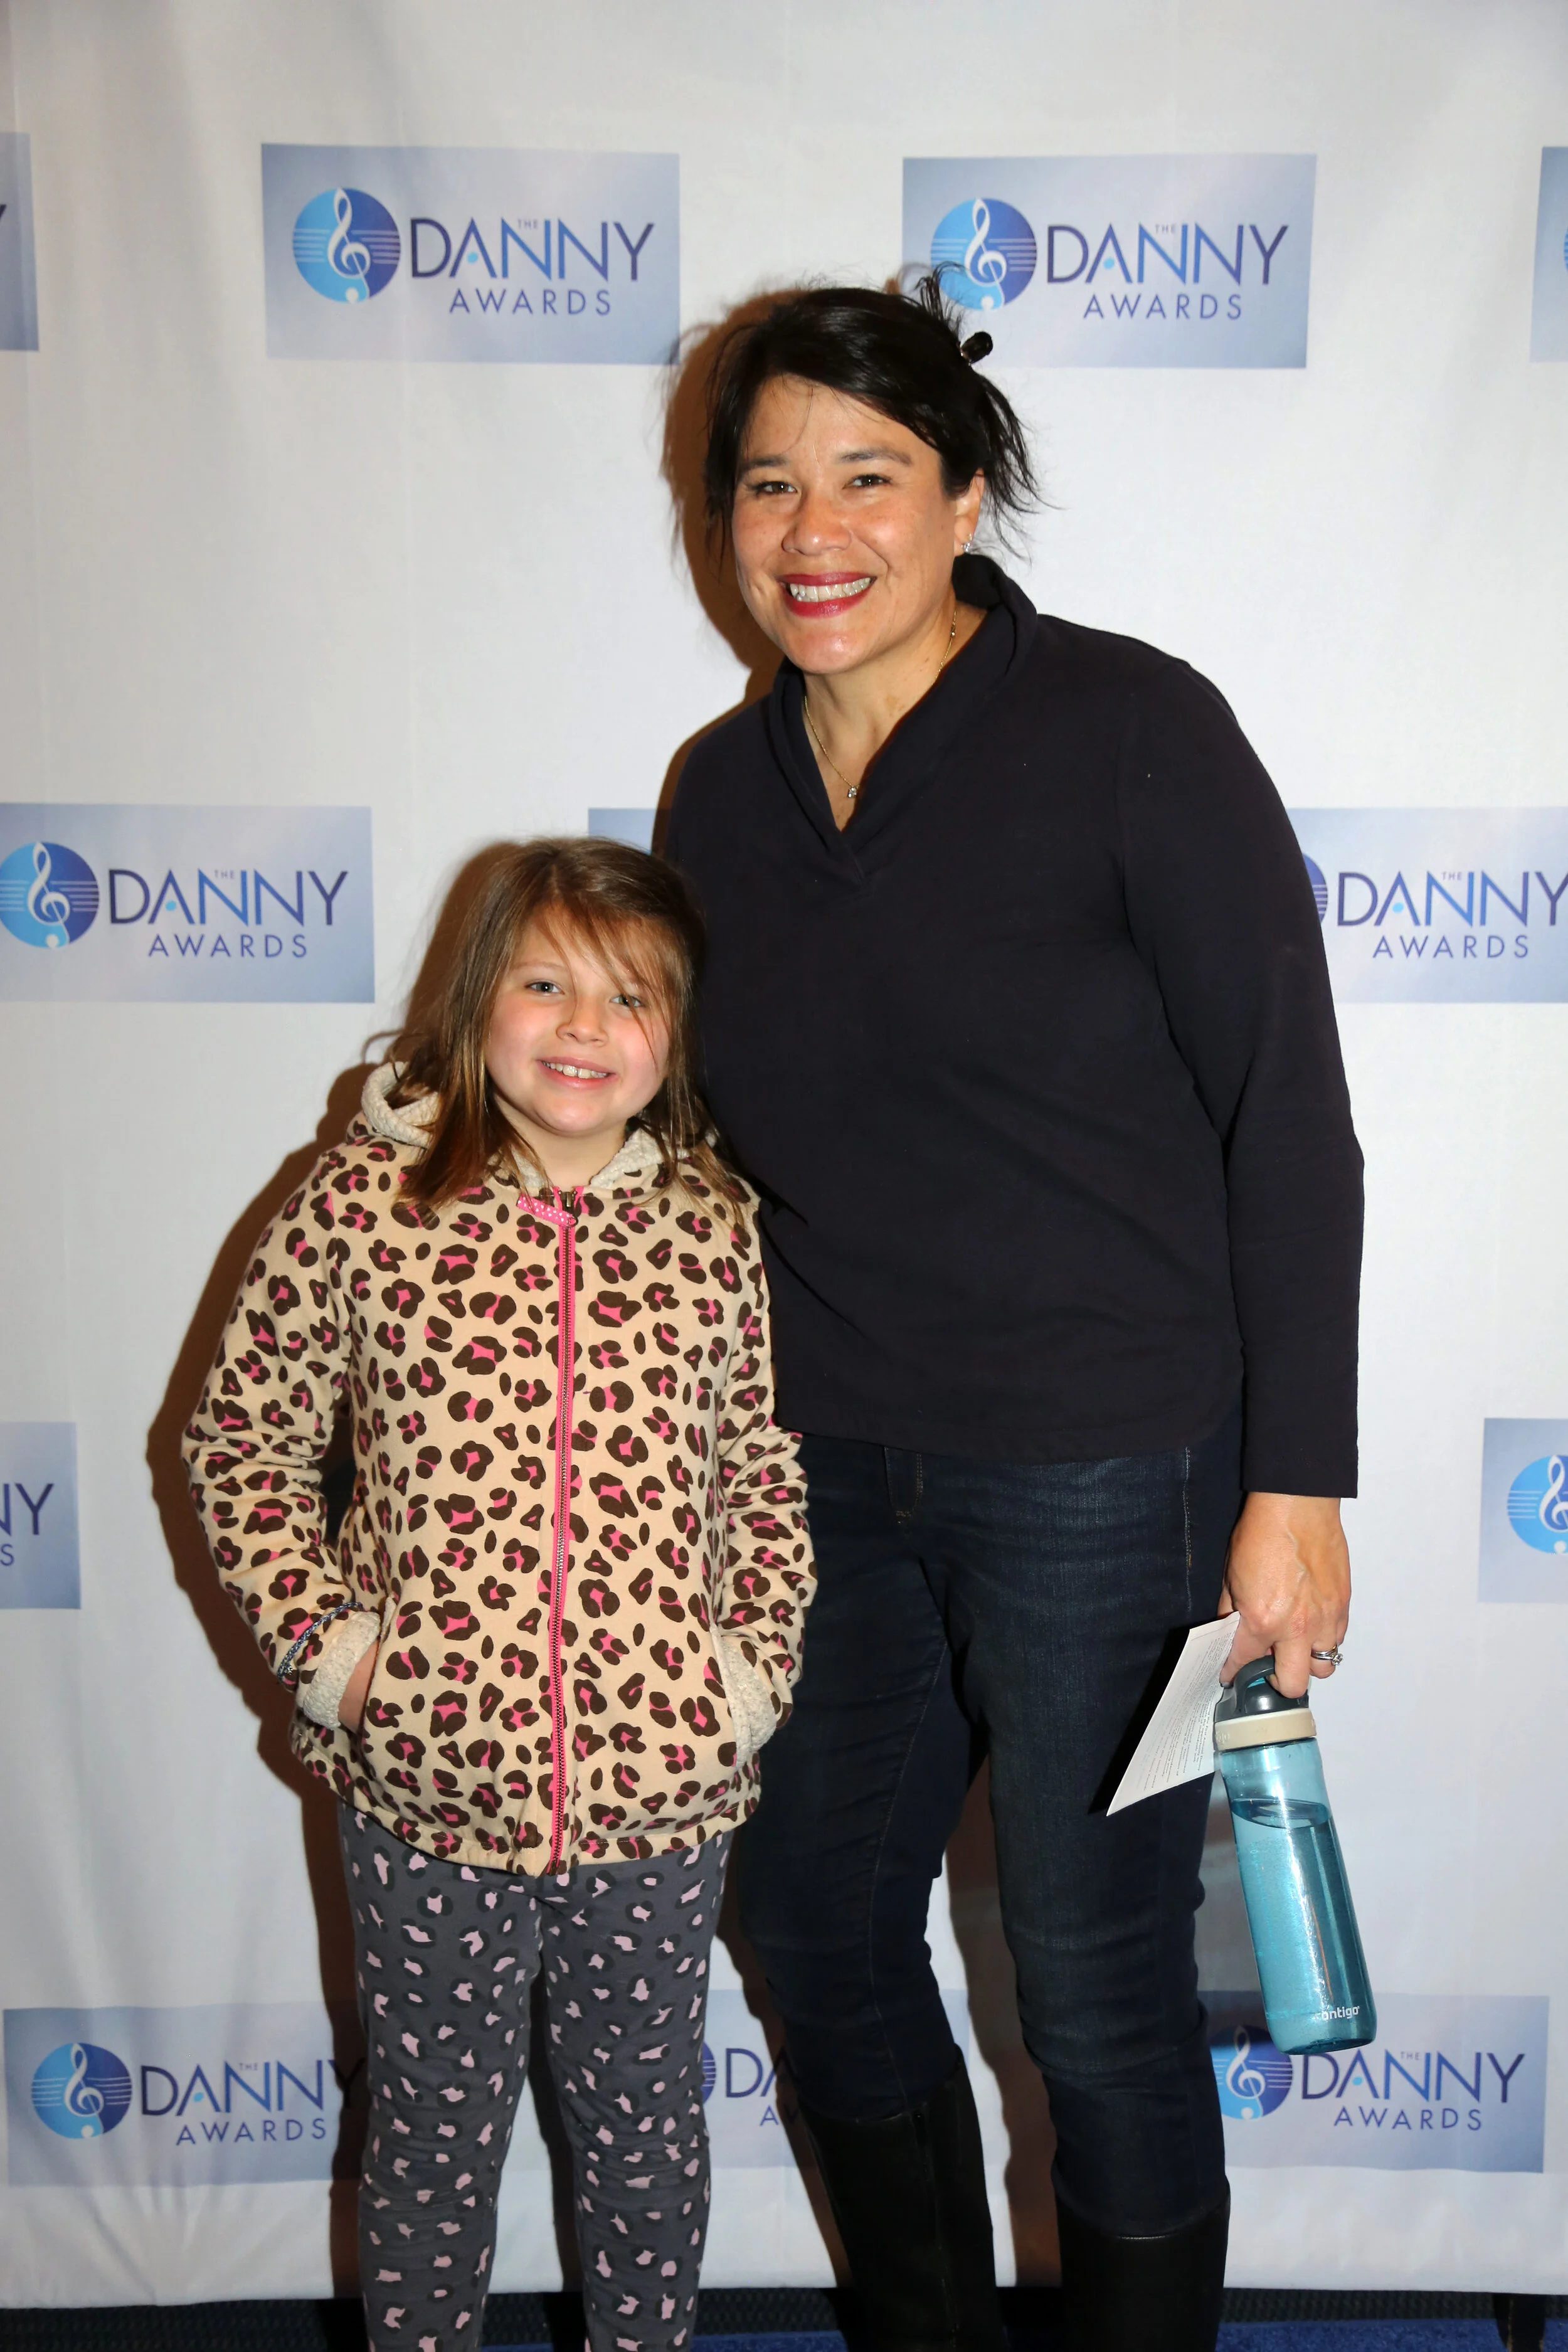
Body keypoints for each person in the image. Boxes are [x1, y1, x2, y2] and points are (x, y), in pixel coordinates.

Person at [665, 281, 1363, 2352]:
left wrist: (1295, 1485)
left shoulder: (1133, 730)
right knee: (814, 1926)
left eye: (868, 475)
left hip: (1107, 1466)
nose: (814, 529)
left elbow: (1286, 1118)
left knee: (1093, 1977)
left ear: (966, 496)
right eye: (767, 484)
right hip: (824, 1469)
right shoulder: (717, 794)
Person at [183, 839, 815, 2352]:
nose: (586, 1027)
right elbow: (241, 1440)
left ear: (675, 1037)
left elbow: (759, 1471)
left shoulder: (712, 1228)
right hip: (425, 1785)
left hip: (657, 1796)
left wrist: (742, 1678)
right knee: (428, 2136)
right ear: (474, 1005)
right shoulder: (364, 1205)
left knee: (645, 2133)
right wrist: (340, 1662)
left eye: (631, 998)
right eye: (545, 985)